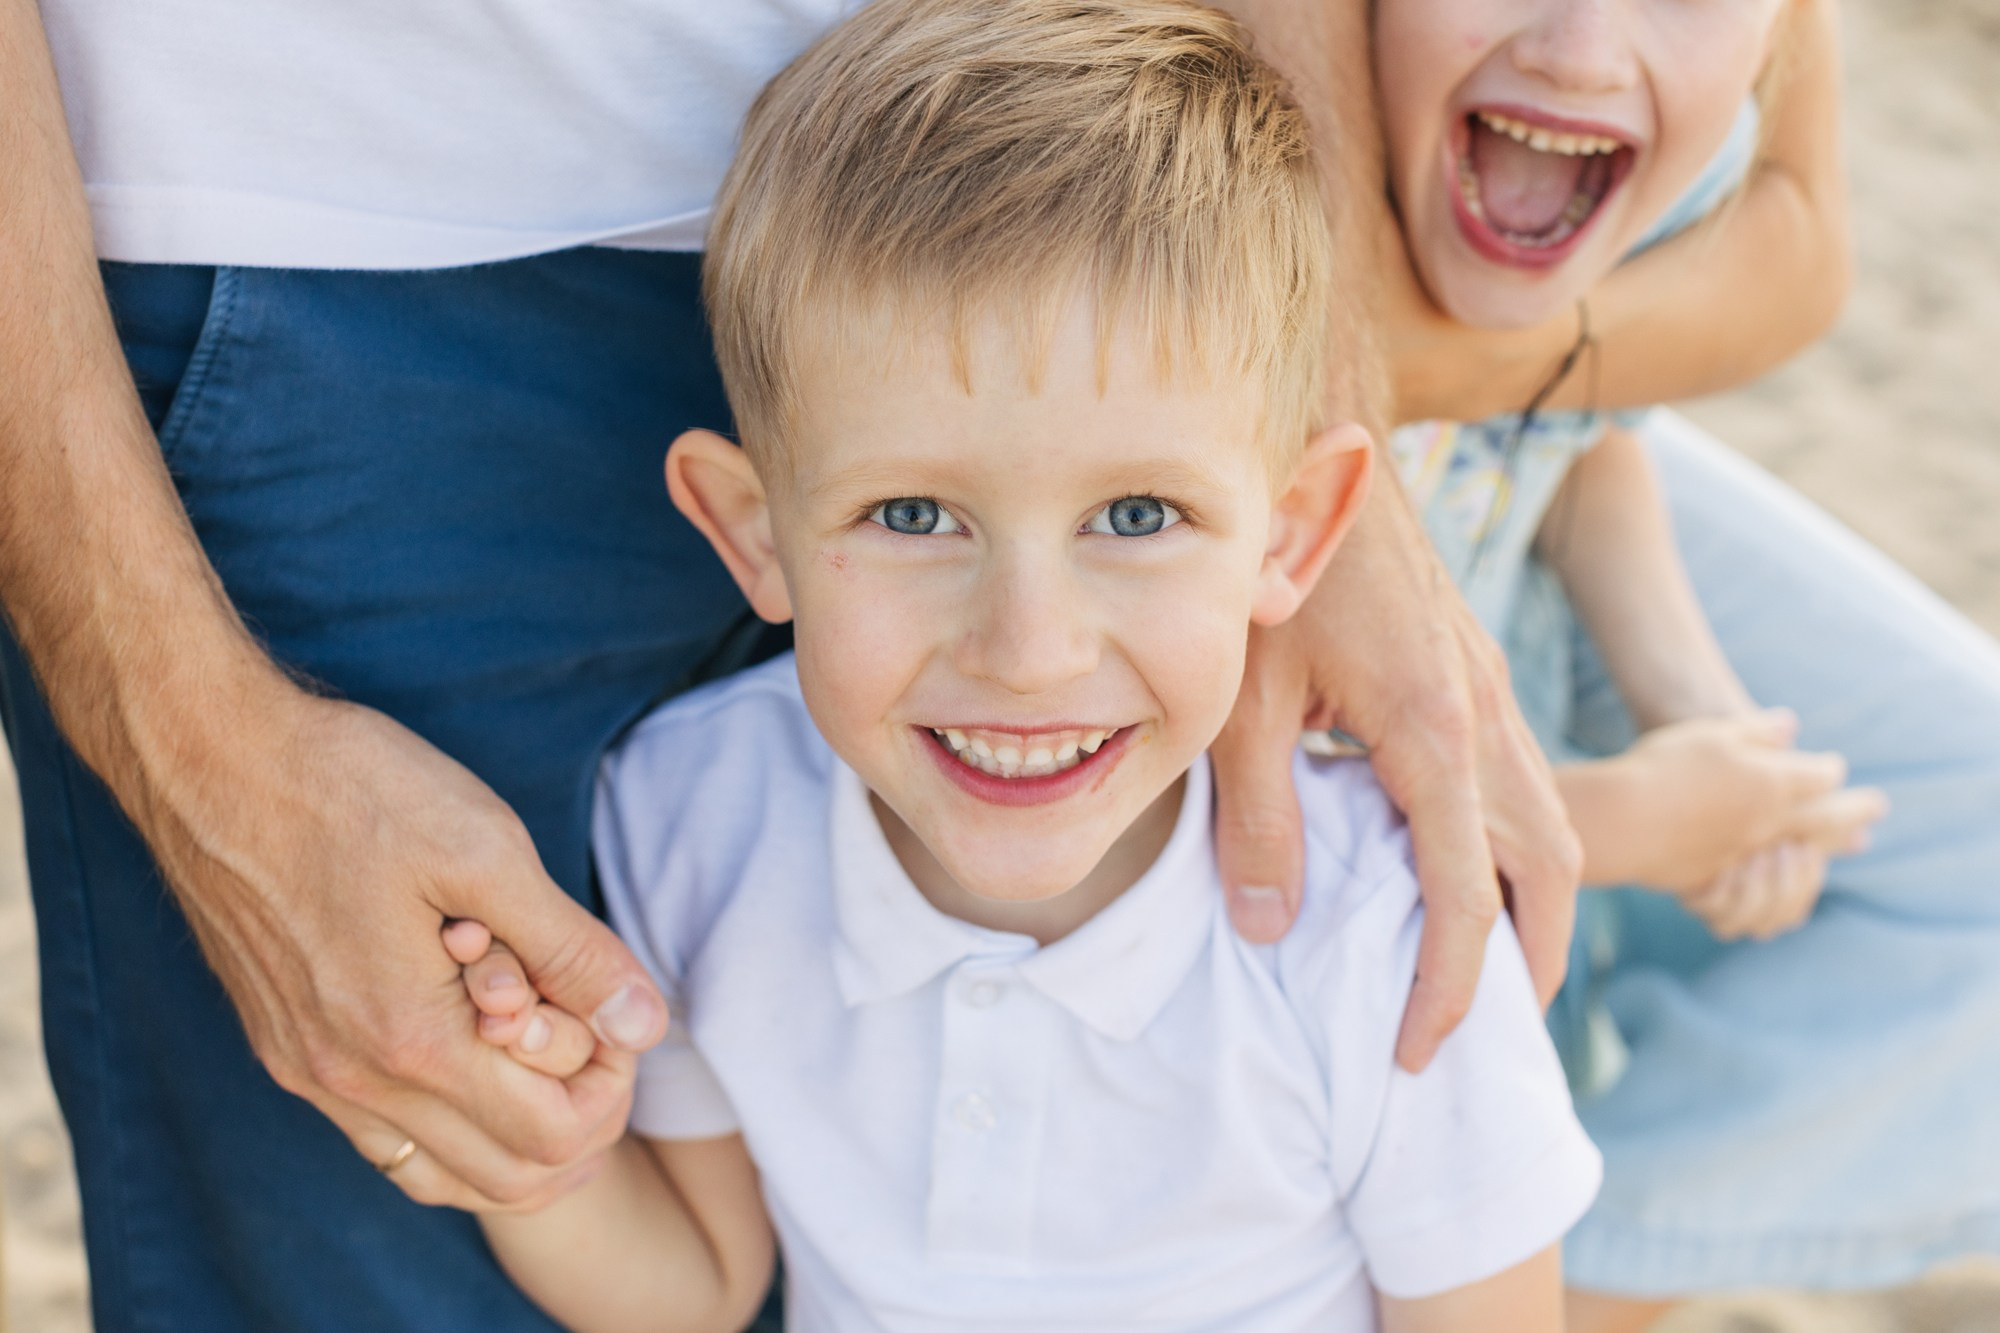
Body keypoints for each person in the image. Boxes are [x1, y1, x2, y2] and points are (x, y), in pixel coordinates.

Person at [0, 0, 1583, 1324]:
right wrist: (538, 1154)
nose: (1027, 649)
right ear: (746, 529)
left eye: (1137, 514)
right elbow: (699, 1275)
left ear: (1295, 528)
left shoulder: (1377, 938)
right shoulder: (696, 815)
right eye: (914, 515)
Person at [1369, 0, 2000, 1323]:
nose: (1579, 50)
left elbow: (1568, 435)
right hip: (1343, 851)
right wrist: (1636, 823)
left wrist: (1702, 711)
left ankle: (1553, 1274)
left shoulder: (1627, 137)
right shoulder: (1280, 157)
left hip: (1513, 621)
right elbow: (1244, 841)